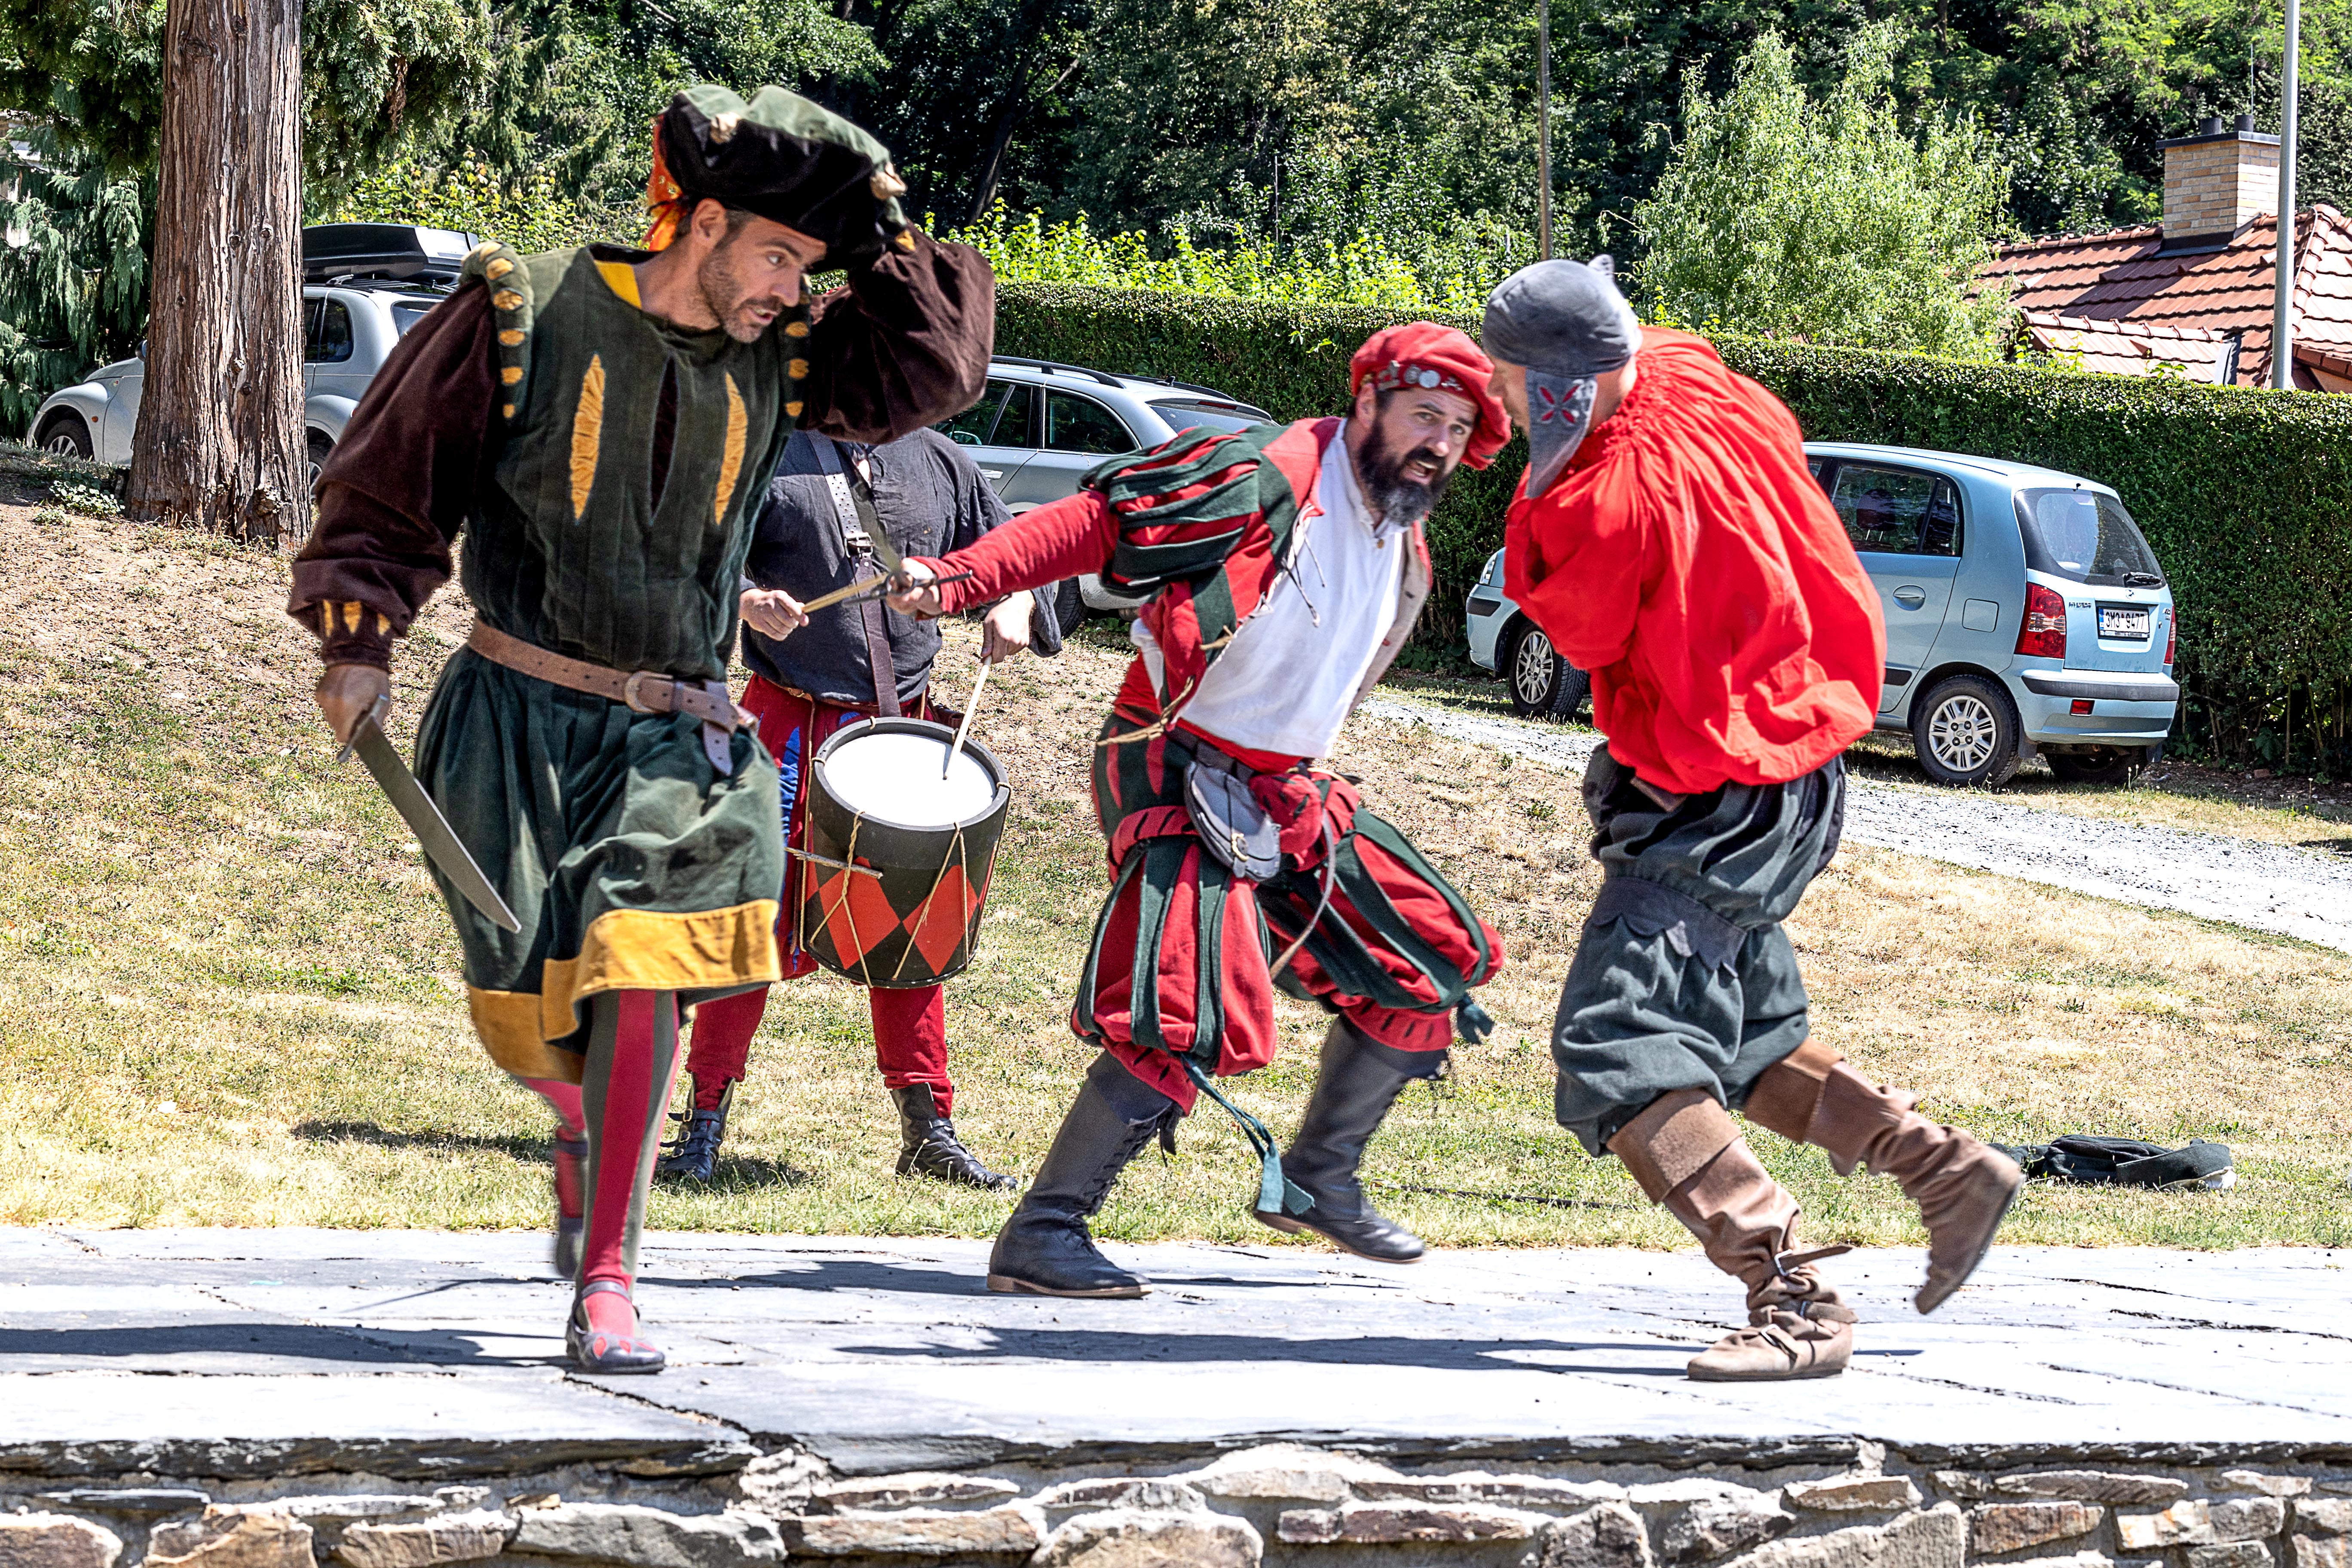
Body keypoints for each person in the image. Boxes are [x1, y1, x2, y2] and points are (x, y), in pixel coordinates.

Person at [288, 84, 993, 1373]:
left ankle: (608, 1277)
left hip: (685, 737)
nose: (792, 288)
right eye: (777, 256)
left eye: (810, 265)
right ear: (705, 224)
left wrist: (881, 225)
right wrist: (358, 639)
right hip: (514, 720)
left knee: (646, 965)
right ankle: (588, 1138)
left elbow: (936, 365)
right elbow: (393, 477)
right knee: (537, 1009)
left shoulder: (788, 358)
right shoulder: (525, 308)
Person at [886, 324, 1508, 1299]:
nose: (1438, 442)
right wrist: (963, 577)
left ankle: (1320, 1176)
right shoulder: (1259, 476)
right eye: (1424, 414)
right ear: (1368, 401)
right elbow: (1093, 522)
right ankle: (1044, 1233)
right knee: (1180, 1000)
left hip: (1283, 786)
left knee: (1424, 956)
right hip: (1173, 761)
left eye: (1457, 428)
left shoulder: (1400, 526)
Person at [1486, 257, 2022, 1383]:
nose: (1497, 396)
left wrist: (1539, 474)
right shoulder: (1690, 375)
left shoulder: (1602, 497)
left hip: (1718, 785)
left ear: (1563, 390)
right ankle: (1944, 1169)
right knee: (1740, 1040)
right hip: (1796, 760)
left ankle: (1795, 1298)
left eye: (1510, 380)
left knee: (1617, 1048)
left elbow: (1576, 624)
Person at [655, 426, 1058, 1189]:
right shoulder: (765, 450)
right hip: (783, 725)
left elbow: (1017, 549)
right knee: (748, 922)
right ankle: (702, 1123)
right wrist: (746, 599)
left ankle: (929, 1133)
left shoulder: (937, 458)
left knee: (914, 927)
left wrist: (1016, 598)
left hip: (904, 729)